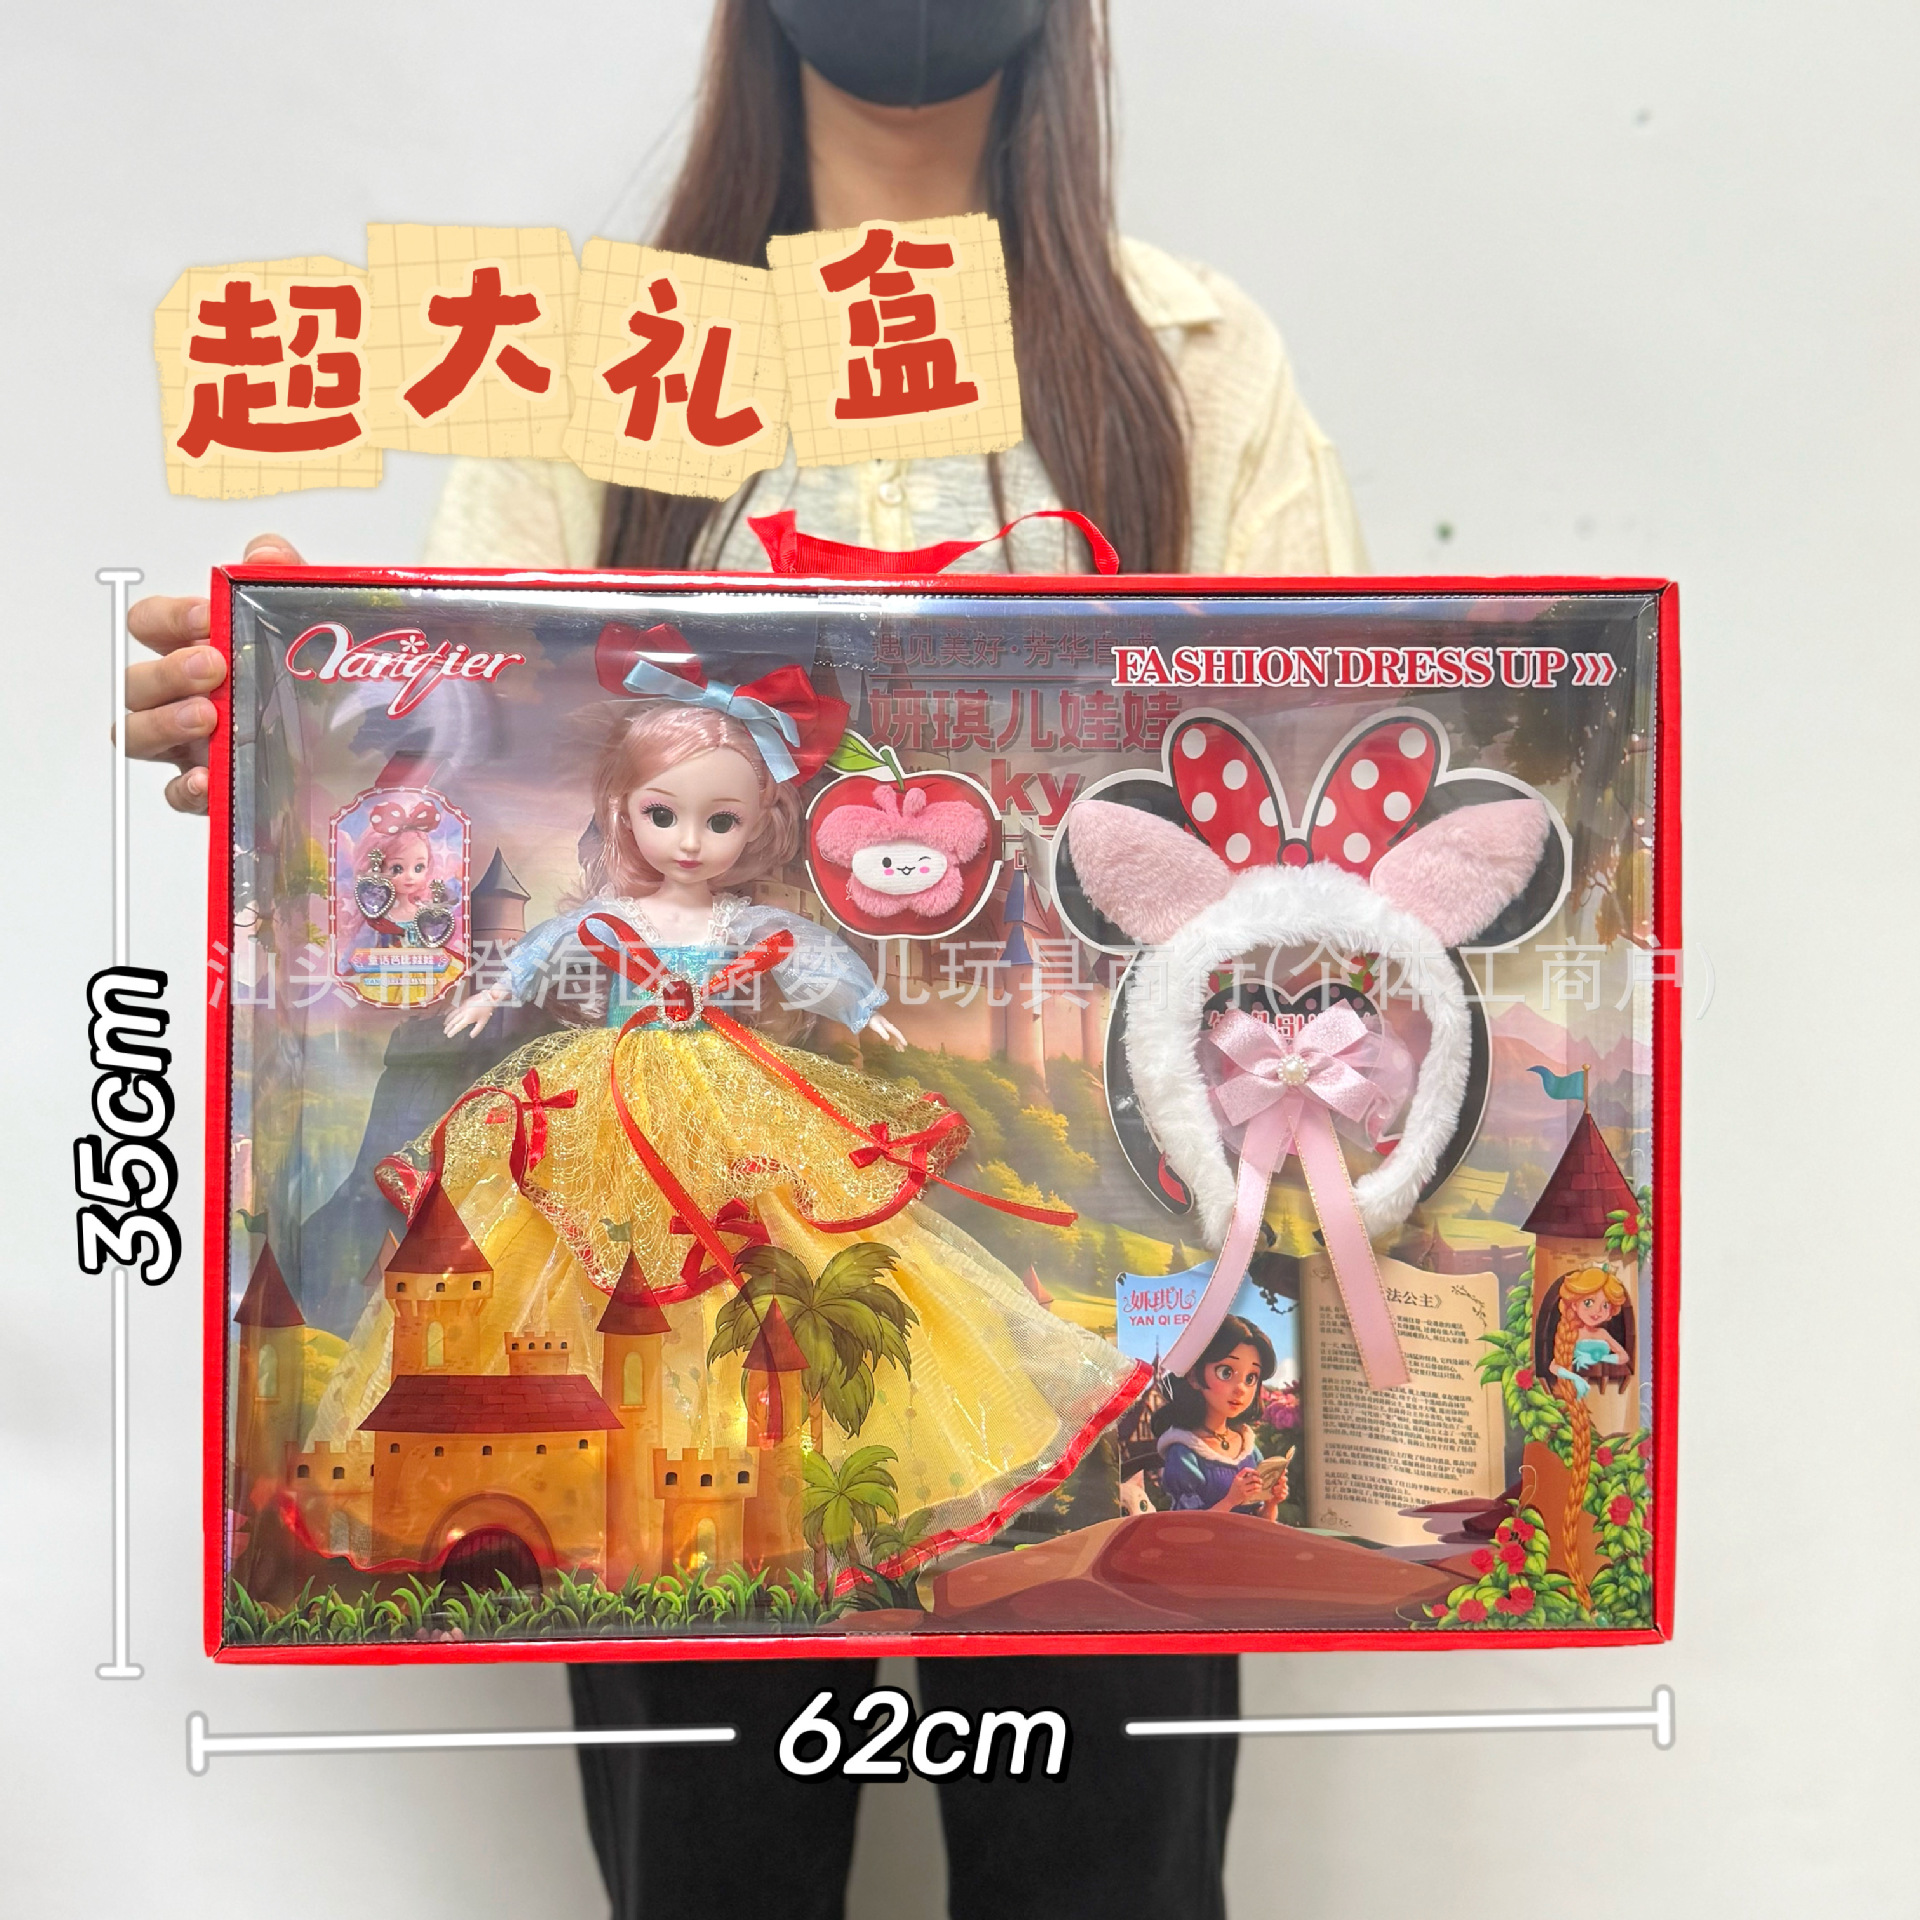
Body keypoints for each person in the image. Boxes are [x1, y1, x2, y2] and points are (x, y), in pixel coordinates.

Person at [127, 4, 1366, 1915]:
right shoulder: (586, 362)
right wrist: (302, 719)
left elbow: (1309, 816)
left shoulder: (1193, 355)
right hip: (646, 1215)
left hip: (1089, 1199)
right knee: (705, 1858)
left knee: (1107, 1857)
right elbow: (458, 754)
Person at [1152, 1315, 1291, 1518]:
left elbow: (1261, 1523)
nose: (1241, 1389)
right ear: (1194, 1376)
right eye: (1226, 1373)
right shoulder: (1184, 1452)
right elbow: (1186, 1526)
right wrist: (1230, 1501)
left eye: (1250, 1378)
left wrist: (1271, 1502)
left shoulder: (1248, 1448)